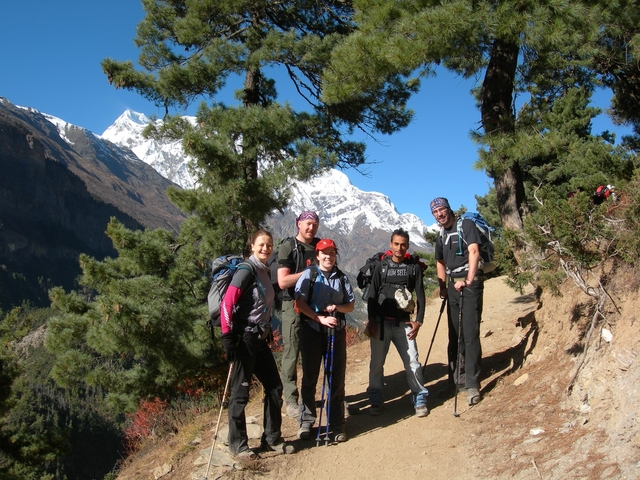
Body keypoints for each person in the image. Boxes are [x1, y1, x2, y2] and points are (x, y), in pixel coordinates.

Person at [220, 230, 295, 459]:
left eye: (269, 245)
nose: (266, 248)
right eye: (261, 245)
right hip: (244, 339)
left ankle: (271, 439)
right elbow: (227, 302)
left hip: (259, 338)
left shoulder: (264, 270)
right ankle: (238, 445)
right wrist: (227, 337)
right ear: (252, 246)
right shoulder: (246, 270)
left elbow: (261, 305)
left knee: (274, 386)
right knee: (240, 393)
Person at [294, 238, 355, 442]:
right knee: (310, 378)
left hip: (335, 332)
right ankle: (306, 421)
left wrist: (336, 308)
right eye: (324, 253)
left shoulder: (342, 278)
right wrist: (318, 317)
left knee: (335, 379)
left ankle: (337, 424)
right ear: (317, 256)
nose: (328, 256)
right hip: (312, 330)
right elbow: (299, 302)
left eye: (332, 253)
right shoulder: (309, 275)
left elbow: (350, 306)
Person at [365, 228, 429, 417]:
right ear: (390, 245)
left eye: (403, 245)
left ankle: (420, 398)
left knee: (413, 363)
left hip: (404, 324)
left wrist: (419, 321)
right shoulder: (381, 267)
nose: (399, 248)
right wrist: (371, 320)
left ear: (407, 246)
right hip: (381, 324)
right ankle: (375, 400)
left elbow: (421, 295)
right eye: (396, 244)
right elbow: (372, 295)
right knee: (376, 364)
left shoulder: (413, 268)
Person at [431, 197, 484, 406]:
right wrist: (443, 286)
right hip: (452, 288)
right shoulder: (441, 234)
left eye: (442, 210)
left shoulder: (466, 225)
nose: (439, 214)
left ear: (448, 209)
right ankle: (455, 380)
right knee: (454, 334)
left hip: (470, 285)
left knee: (469, 334)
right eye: (435, 212)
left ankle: (472, 384)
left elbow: (474, 251)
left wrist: (468, 280)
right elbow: (440, 261)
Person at [276, 211, 321, 418]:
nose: (311, 228)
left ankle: (309, 397)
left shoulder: (320, 246)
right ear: (299, 224)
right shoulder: (288, 246)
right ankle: (291, 401)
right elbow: (283, 281)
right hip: (292, 305)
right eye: (308, 223)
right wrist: (307, 273)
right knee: (292, 353)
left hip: (314, 305)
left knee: (313, 353)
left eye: (315, 224)